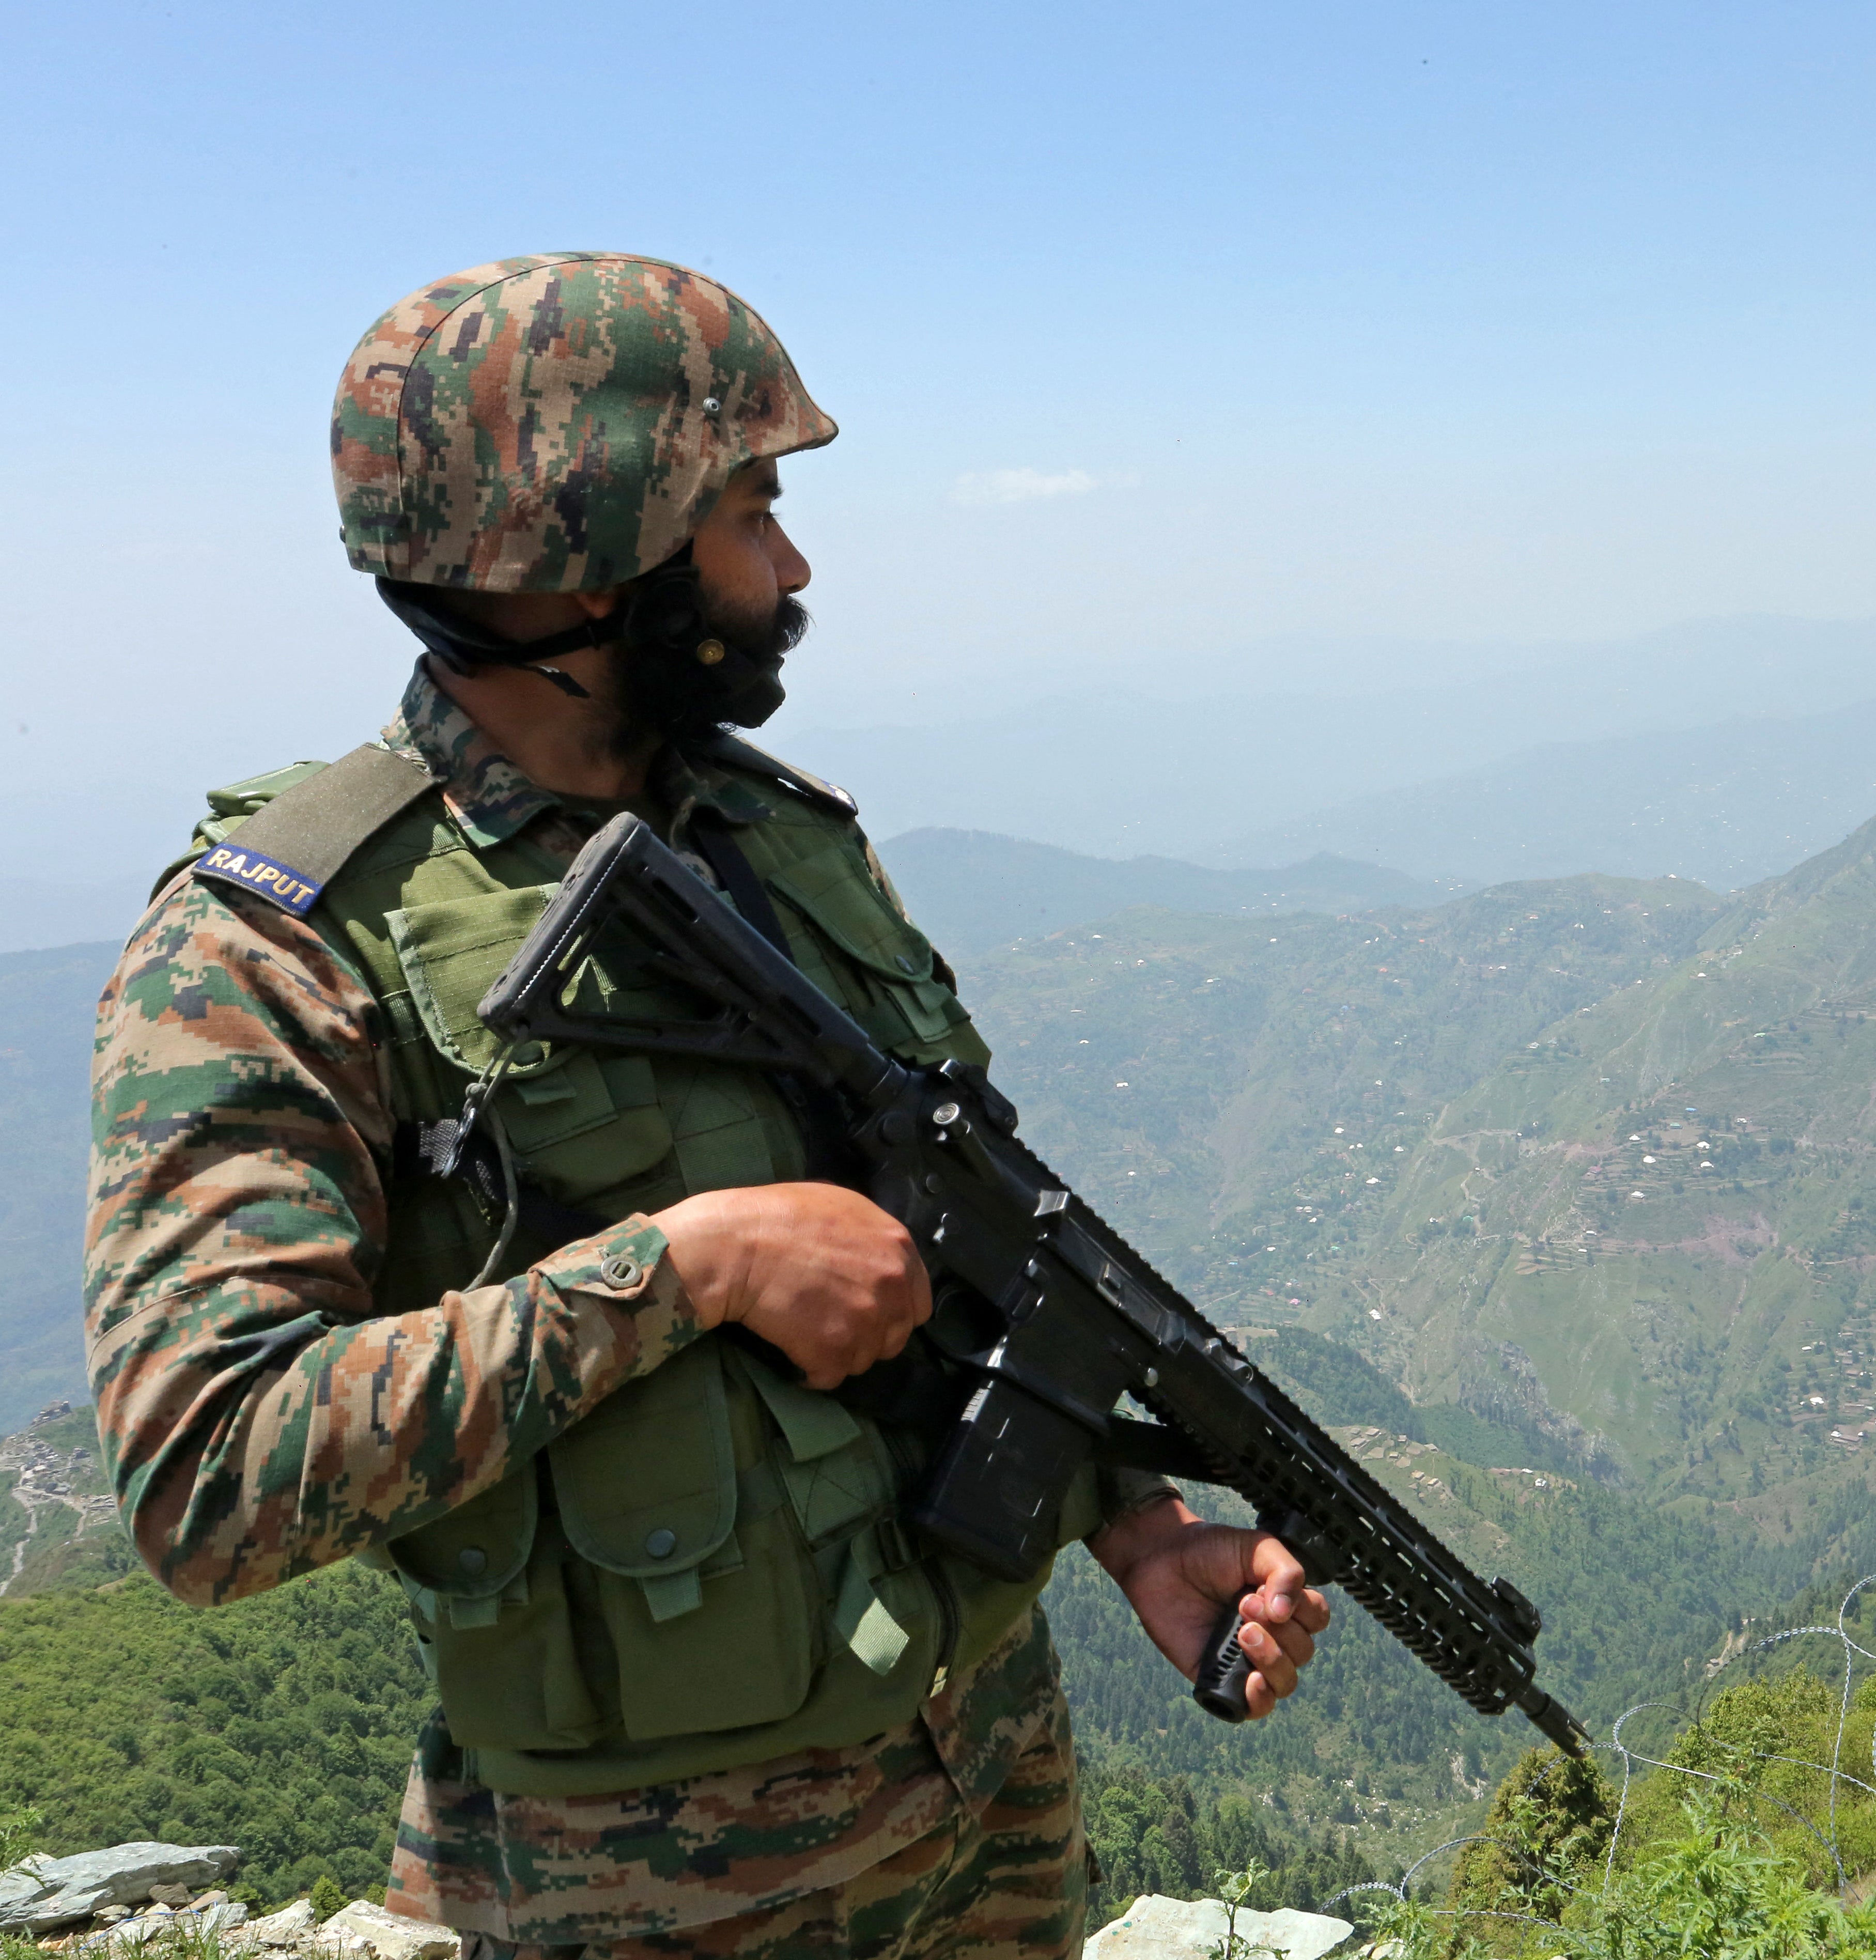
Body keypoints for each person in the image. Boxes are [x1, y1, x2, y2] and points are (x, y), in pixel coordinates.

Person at [85, 253, 1328, 1959]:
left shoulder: (782, 841)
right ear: (592, 548)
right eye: (751, 507)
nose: (795, 561)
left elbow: (965, 1246)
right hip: (639, 1883)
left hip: (991, 1781)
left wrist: (1123, 1514)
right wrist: (690, 1266)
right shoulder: (279, 944)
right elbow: (207, 1478)